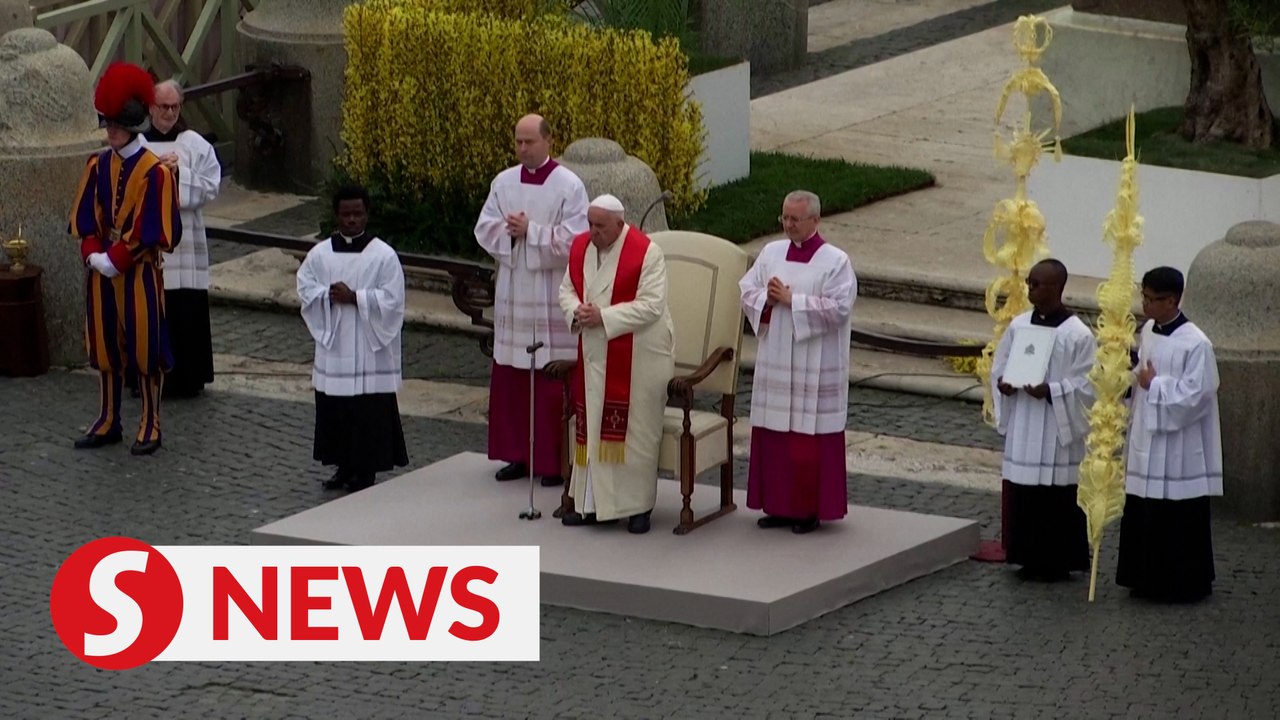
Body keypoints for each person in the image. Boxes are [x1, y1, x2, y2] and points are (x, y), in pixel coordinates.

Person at [68, 61, 181, 456]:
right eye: (107, 124)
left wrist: (114, 258)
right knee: (104, 348)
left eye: (115, 124)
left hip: (139, 273)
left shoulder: (155, 173)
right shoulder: (97, 164)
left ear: (131, 124)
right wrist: (93, 254)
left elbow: (154, 230)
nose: (109, 130)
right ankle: (108, 417)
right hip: (102, 272)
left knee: (146, 348)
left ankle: (151, 421)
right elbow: (84, 219)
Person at [475, 114, 589, 487]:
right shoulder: (503, 182)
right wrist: (507, 232)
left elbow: (578, 239)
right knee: (513, 378)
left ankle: (555, 460)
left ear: (548, 141)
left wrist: (532, 232)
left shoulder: (569, 185)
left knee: (550, 380)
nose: (523, 148)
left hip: (550, 293)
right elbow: (484, 227)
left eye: (530, 142)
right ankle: (518, 456)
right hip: (514, 290)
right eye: (518, 142)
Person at [739, 190, 856, 534]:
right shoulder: (771, 253)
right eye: (785, 218)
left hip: (814, 364)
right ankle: (778, 506)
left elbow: (840, 309)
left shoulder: (836, 261)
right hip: (776, 357)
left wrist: (793, 300)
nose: (788, 225)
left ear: (815, 220)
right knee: (775, 436)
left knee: (808, 442)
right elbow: (747, 290)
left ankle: (807, 510)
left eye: (795, 219)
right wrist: (767, 299)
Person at [557, 194, 674, 535]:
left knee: (634, 433)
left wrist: (603, 316)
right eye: (590, 224)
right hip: (596, 349)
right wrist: (575, 310)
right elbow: (566, 289)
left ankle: (637, 507)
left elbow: (652, 305)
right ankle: (590, 504)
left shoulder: (647, 252)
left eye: (601, 226)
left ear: (620, 224)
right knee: (592, 427)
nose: (593, 232)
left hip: (639, 354)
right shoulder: (581, 248)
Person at [1117, 266, 1223, 602]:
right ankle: (1143, 578)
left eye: (1152, 299)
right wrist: (1126, 377)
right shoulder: (1149, 329)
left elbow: (1199, 393)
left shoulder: (1197, 344)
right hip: (1147, 436)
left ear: (1173, 300)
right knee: (1144, 508)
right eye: (1143, 297)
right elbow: (1142, 371)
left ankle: (1180, 584)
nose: (1145, 306)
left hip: (1179, 444)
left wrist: (1155, 385)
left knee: (1177, 515)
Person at [296, 185, 409, 492]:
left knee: (366, 412)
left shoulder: (383, 255)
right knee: (336, 409)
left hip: (369, 349)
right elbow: (305, 287)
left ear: (367, 214)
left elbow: (393, 300)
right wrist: (328, 296)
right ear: (336, 215)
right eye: (346, 214)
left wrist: (356, 297)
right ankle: (342, 467)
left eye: (357, 214)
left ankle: (365, 470)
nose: (351, 220)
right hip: (336, 347)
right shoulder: (320, 254)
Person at [992, 259, 1096, 580]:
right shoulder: (1019, 325)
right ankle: (1024, 556)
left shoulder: (1078, 334)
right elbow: (1001, 364)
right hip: (1025, 421)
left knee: (1056, 495)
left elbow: (1088, 386)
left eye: (1037, 283)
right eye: (1029, 282)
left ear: (1058, 288)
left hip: (1055, 428)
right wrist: (1004, 384)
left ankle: (1058, 560)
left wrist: (1051, 391)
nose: (1030, 288)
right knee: (1025, 491)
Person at [142, 78, 222, 398]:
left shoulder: (195, 144)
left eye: (175, 107)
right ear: (151, 107)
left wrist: (178, 175)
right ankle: (148, 375)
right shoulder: (138, 145)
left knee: (185, 310)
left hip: (186, 244)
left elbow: (210, 187)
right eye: (164, 107)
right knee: (152, 310)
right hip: (151, 245)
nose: (170, 113)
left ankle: (188, 377)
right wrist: (155, 174)